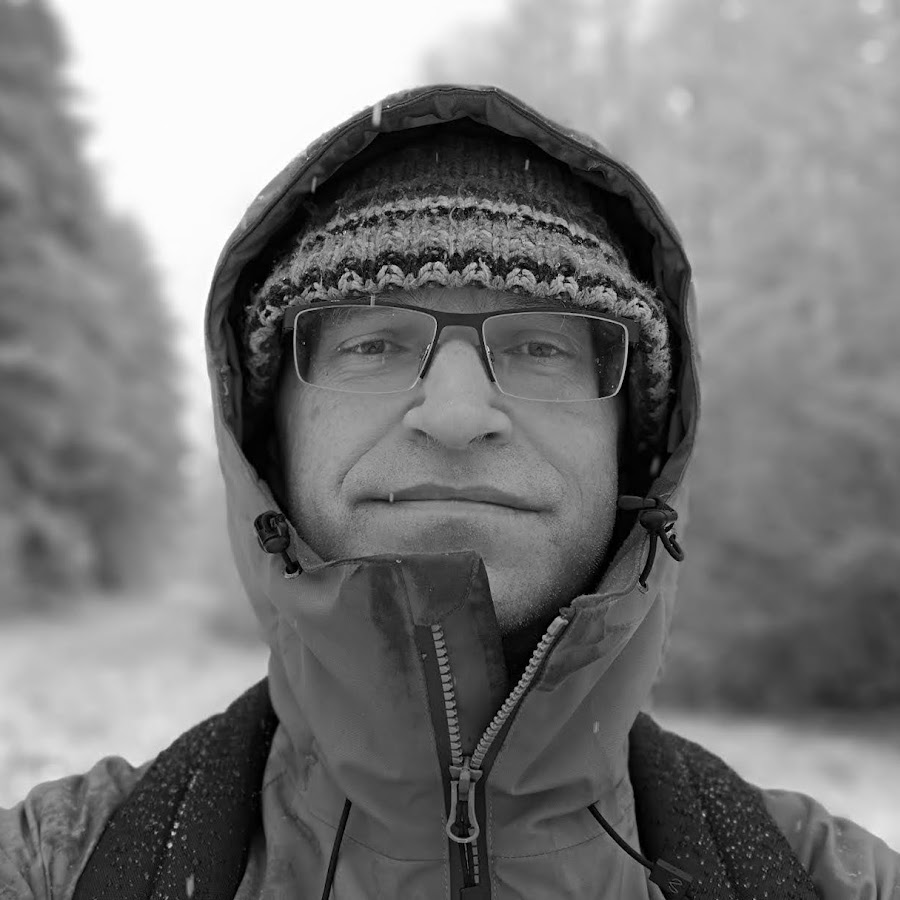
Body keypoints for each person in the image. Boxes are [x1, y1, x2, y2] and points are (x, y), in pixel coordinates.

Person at [1, 84, 897, 900]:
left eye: (540, 346)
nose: (459, 414)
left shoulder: (826, 880)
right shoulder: (63, 868)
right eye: (373, 344)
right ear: (270, 438)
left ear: (634, 447)